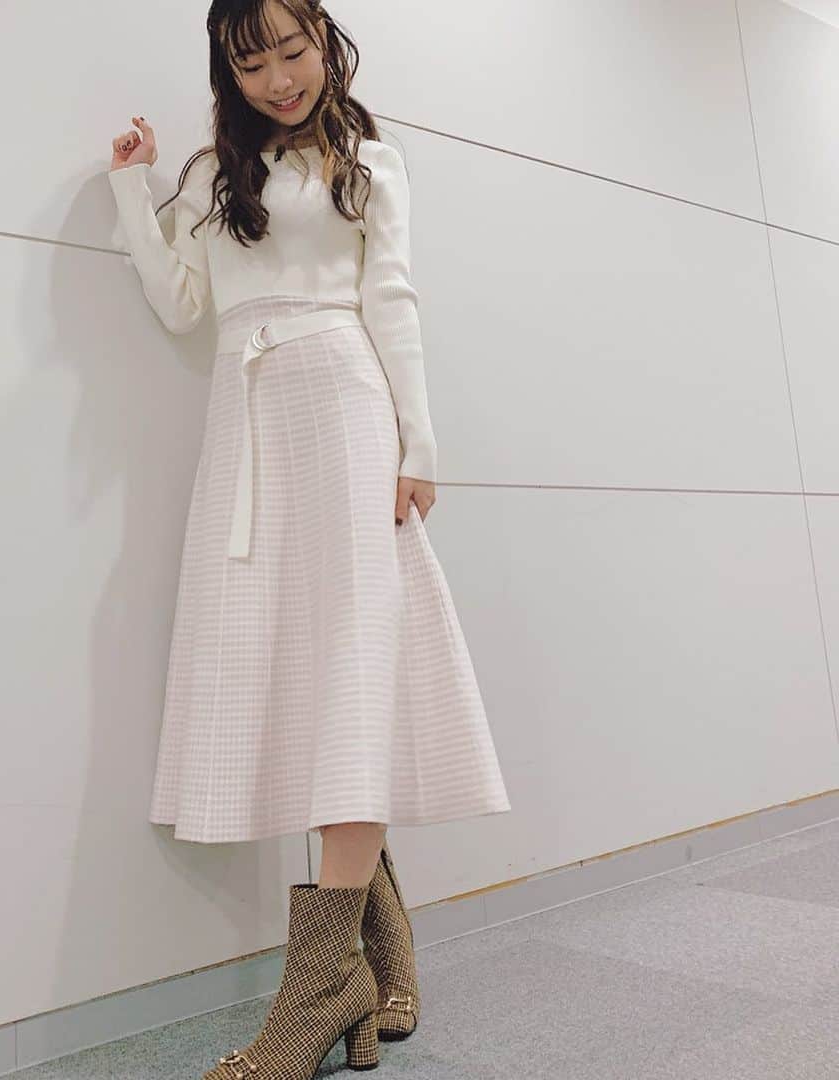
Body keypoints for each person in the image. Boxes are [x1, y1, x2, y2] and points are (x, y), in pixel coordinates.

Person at [107, 1, 511, 1075]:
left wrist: (418, 445)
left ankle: (322, 984)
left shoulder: (369, 164)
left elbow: (394, 299)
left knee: (349, 669)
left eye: (293, 51)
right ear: (227, 73)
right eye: (252, 64)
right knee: (293, 678)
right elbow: (181, 304)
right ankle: (380, 959)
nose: (279, 79)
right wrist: (132, 190)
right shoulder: (212, 176)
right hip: (247, 427)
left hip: (342, 409)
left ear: (327, 45)